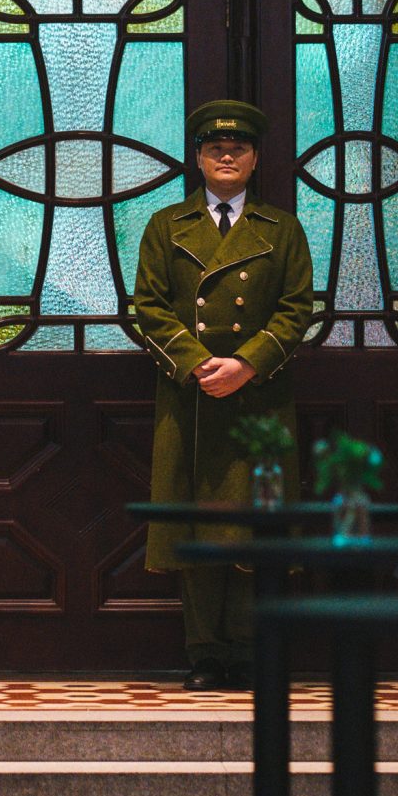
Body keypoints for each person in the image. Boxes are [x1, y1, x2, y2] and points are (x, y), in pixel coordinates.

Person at [132, 99, 314, 690]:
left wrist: (246, 364)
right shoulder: (166, 226)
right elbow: (149, 307)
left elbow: (296, 311)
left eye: (237, 149)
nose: (227, 156)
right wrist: (197, 364)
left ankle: (251, 649)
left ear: (256, 158)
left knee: (251, 523)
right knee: (196, 522)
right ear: (199, 158)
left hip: (257, 400)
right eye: (215, 148)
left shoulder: (281, 229)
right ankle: (206, 653)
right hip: (190, 400)